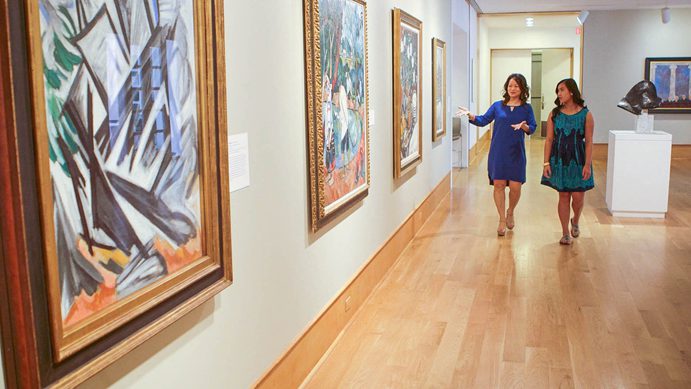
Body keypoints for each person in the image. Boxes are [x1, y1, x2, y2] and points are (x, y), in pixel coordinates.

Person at [456, 73, 537, 236]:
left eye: (516, 86)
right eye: (510, 85)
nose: (512, 89)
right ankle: (501, 219)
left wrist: (524, 127)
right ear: (506, 88)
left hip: (516, 152)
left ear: (522, 88)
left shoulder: (526, 108)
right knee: (499, 185)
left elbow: (533, 127)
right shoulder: (497, 106)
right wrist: (470, 116)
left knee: (515, 187)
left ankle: (511, 211)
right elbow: (483, 120)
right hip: (498, 151)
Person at [541, 78, 594, 245]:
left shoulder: (586, 115)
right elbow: (549, 140)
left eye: (562, 90)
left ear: (571, 91)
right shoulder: (554, 114)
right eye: (557, 91)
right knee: (563, 195)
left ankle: (575, 220)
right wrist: (546, 163)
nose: (559, 93)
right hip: (559, 159)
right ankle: (565, 233)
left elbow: (590, 141)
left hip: (579, 159)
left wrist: (587, 165)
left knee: (578, 197)